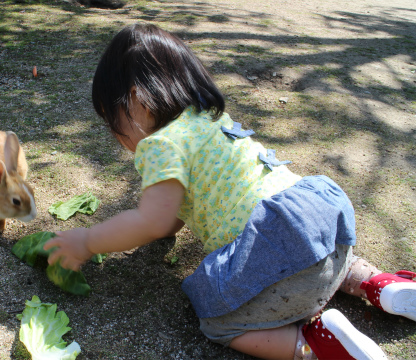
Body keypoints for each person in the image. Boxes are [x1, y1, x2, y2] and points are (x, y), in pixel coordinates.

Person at [43, 23, 416, 360]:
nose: (115, 135)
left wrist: (88, 241)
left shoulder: (160, 144)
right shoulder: (209, 121)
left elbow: (152, 219)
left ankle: (314, 344)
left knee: (219, 321)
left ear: (138, 101)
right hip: (327, 230)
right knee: (322, 257)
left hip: (280, 259)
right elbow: (172, 213)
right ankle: (380, 285)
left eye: (113, 120)